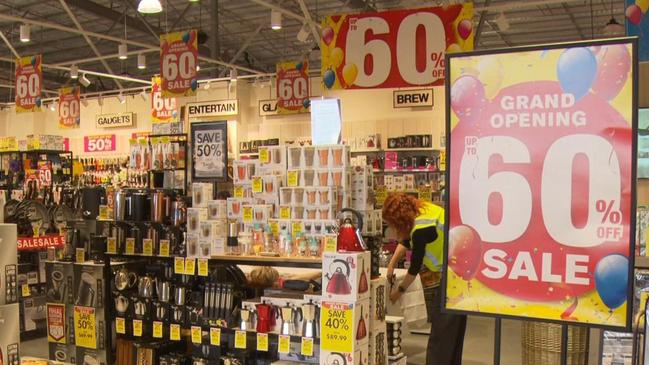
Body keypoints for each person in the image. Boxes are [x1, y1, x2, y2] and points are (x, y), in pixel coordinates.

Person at [382, 192, 466, 365]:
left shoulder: (420, 230)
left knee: (441, 334)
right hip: (460, 274)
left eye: (391, 224)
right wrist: (391, 264)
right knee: (453, 332)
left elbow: (414, 267)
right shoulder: (423, 211)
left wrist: (399, 291)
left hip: (451, 278)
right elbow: (407, 241)